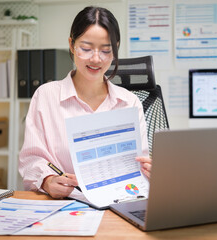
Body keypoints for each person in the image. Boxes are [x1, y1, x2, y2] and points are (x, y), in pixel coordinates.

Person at [19, 6, 151, 199]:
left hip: (119, 203)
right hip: (63, 205)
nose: (96, 59)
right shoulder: (46, 96)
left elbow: (140, 163)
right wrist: (47, 181)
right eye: (86, 49)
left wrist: (149, 171)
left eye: (106, 50)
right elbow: (31, 159)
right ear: (71, 45)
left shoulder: (128, 102)